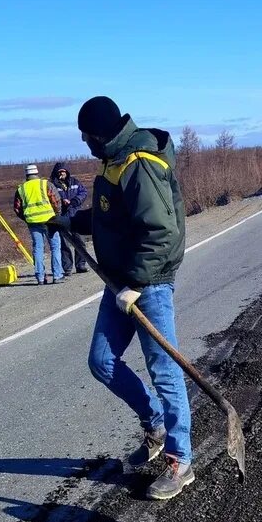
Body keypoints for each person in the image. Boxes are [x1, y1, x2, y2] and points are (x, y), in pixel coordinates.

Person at [72, 96, 191, 500]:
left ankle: (181, 461)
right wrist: (68, 221)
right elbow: (111, 216)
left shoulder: (138, 161)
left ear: (101, 133)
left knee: (165, 371)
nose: (85, 143)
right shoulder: (113, 160)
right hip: (120, 281)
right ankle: (155, 424)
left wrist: (138, 283)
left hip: (149, 282)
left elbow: (162, 231)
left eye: (87, 136)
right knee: (101, 362)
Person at [13, 164, 64, 285]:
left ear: (27, 175)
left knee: (38, 249)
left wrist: (27, 218)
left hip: (33, 223)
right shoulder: (45, 184)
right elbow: (56, 201)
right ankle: (57, 275)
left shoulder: (21, 189)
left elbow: (17, 208)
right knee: (55, 247)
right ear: (37, 173)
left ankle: (40, 278)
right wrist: (57, 216)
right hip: (50, 220)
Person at [49, 162, 91, 275]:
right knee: (64, 244)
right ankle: (67, 268)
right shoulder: (52, 184)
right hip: (62, 216)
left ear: (67, 172)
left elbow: (83, 192)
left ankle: (81, 265)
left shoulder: (75, 182)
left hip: (76, 215)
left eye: (63, 171)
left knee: (80, 242)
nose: (62, 174)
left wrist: (74, 201)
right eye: (59, 172)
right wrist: (61, 203)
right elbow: (50, 198)